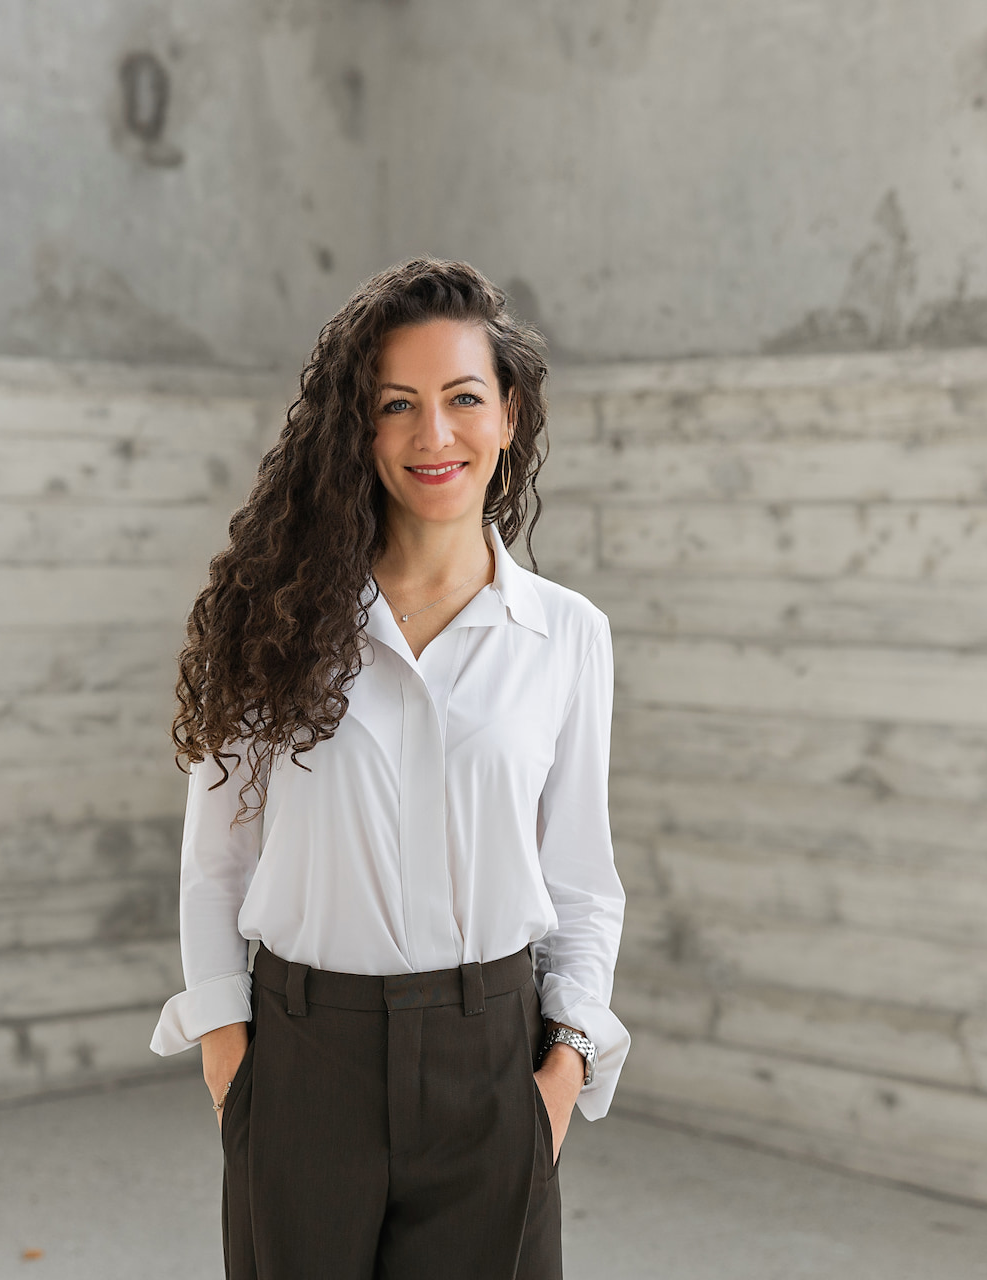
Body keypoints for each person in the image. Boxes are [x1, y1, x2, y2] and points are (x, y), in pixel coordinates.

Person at [150, 257, 628, 1279]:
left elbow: (583, 878)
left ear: (508, 414)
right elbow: (213, 866)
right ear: (356, 431)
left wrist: (560, 1070)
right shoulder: (275, 622)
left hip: (492, 1071)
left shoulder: (567, 636)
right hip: (302, 1064)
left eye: (462, 398)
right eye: (395, 405)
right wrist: (233, 1065)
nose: (433, 434)